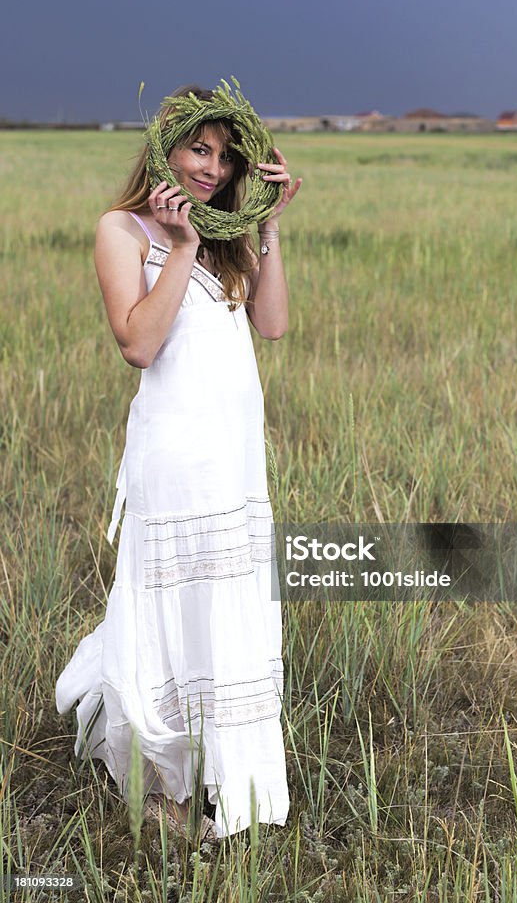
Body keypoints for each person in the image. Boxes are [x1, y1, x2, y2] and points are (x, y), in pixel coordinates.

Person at [55, 84, 302, 842]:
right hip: (175, 458)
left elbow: (275, 325)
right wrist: (183, 245)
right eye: (200, 148)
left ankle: (227, 781)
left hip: (233, 459)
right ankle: (161, 786)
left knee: (225, 611)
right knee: (172, 612)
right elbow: (138, 344)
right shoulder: (122, 230)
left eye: (225, 158)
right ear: (166, 143)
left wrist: (266, 227)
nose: (210, 167)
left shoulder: (229, 237)